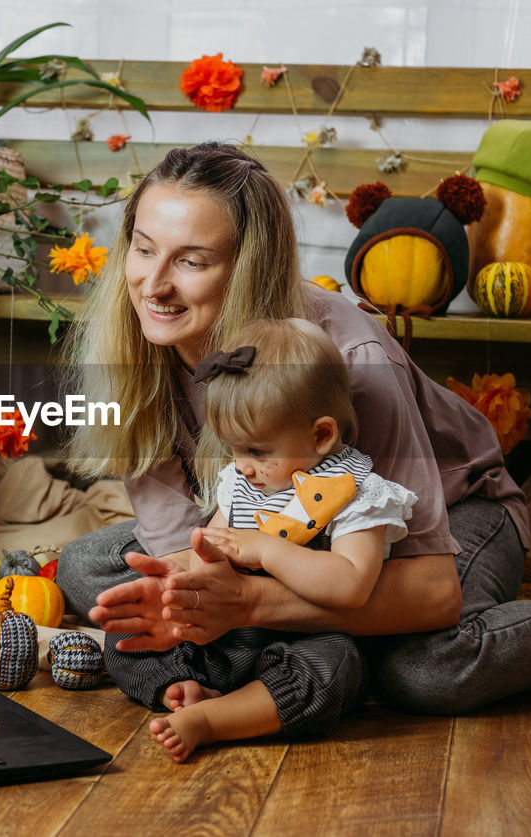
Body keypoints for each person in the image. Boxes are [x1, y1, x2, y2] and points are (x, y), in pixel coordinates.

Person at [59, 141, 531, 716]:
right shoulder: (133, 346)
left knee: (425, 672)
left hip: (440, 519)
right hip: (278, 527)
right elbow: (187, 546)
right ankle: (328, 655)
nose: (152, 285)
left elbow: (434, 592)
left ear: (249, 267)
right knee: (89, 569)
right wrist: (188, 589)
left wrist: (249, 603)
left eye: (192, 262)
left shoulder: (354, 360)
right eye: (143, 249)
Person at [107, 317, 416, 761]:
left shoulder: (357, 493)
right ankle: (182, 688)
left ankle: (215, 719)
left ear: (321, 434)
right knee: (127, 627)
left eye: (256, 451)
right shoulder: (241, 482)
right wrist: (179, 588)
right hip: (230, 636)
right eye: (233, 449)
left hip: (304, 640)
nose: (242, 466)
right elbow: (208, 554)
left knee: (336, 667)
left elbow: (351, 586)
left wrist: (267, 549)